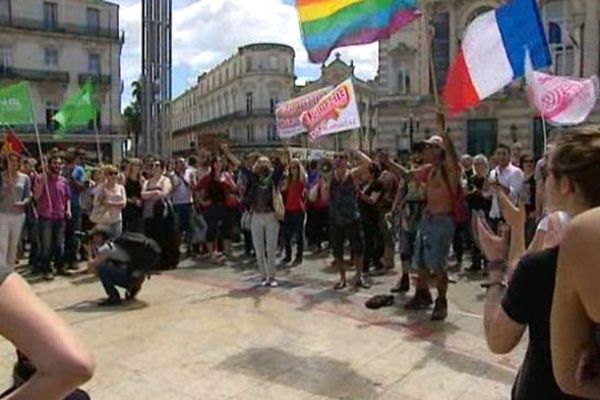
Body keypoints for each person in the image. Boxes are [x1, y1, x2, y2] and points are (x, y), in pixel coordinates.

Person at [475, 126, 600, 399]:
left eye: (546, 174)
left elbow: (499, 340)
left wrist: (495, 265)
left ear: (566, 184)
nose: (542, 183)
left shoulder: (544, 266)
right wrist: (518, 231)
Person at [382, 132, 461, 321]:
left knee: (439, 264)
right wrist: (388, 163)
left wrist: (443, 132)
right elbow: (408, 176)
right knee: (421, 260)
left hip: (442, 222)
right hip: (428, 220)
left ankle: (441, 301)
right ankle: (422, 294)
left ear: (439, 150)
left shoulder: (450, 170)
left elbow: (451, 156)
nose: (425, 150)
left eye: (430, 146)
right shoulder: (429, 169)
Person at [328, 151, 369, 290]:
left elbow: (368, 163)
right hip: (336, 217)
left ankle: (359, 276)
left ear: (347, 160)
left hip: (352, 216)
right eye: (336, 157)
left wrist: (356, 151)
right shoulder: (329, 176)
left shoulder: (352, 174)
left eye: (342, 157)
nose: (338, 159)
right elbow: (323, 195)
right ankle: (342, 279)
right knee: (337, 250)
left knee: (358, 248)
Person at [85, 228, 147, 306]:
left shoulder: (106, 248)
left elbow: (91, 269)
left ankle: (114, 297)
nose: (92, 240)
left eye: (93, 237)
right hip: (138, 276)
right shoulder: (114, 243)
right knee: (106, 266)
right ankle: (133, 288)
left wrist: (89, 251)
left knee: (101, 268)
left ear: (100, 236)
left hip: (131, 278)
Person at [244, 156, 282, 287]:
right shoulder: (254, 178)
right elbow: (241, 167)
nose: (262, 164)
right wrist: (227, 152)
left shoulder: (273, 178)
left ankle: (272, 277)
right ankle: (263, 276)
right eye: (259, 162)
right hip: (256, 216)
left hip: (271, 215)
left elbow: (282, 166)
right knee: (259, 249)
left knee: (271, 249)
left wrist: (285, 148)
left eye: (265, 161)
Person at [34, 155, 72, 281]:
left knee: (59, 245)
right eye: (54, 163)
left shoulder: (64, 181)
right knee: (46, 246)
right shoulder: (41, 178)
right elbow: (36, 196)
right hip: (46, 217)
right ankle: (47, 269)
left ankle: (59, 267)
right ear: (49, 164)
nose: (57, 165)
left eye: (59, 163)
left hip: (60, 217)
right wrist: (41, 183)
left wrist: (68, 209)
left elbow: (67, 198)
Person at [195, 155, 235, 263]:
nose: (218, 164)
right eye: (216, 162)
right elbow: (197, 189)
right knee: (212, 229)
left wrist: (230, 183)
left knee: (227, 229)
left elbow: (234, 188)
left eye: (220, 162)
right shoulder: (208, 177)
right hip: (212, 207)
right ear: (213, 164)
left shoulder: (226, 175)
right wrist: (202, 202)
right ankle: (212, 253)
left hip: (225, 206)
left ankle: (226, 253)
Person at [141, 159, 178, 269]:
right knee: (151, 236)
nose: (155, 167)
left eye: (157, 165)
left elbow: (165, 193)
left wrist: (155, 194)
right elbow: (143, 194)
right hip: (149, 212)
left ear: (162, 168)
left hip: (162, 213)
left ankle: (165, 261)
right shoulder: (147, 181)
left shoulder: (165, 180)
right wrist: (155, 192)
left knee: (163, 237)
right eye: (153, 165)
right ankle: (152, 260)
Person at [0, 153, 31, 271]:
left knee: (14, 244)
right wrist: (5, 191)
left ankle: (10, 269)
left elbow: (28, 196)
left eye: (16, 161)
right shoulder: (1, 176)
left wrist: (23, 203)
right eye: (11, 160)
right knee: (2, 244)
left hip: (18, 215)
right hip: (3, 213)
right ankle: (1, 271)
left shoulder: (25, 178)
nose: (14, 163)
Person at [465, 154, 492, 272]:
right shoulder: (471, 179)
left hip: (485, 211)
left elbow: (488, 196)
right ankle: (475, 263)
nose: (478, 167)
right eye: (476, 164)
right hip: (472, 211)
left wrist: (477, 192)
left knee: (486, 238)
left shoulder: (489, 179)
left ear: (485, 165)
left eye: (480, 164)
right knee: (474, 237)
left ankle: (487, 264)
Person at [488, 144, 524, 230]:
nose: (501, 157)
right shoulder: (493, 172)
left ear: (509, 155)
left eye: (504, 154)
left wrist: (498, 185)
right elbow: (487, 193)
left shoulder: (516, 172)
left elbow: (513, 194)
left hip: (509, 215)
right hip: (494, 214)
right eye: (499, 154)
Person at [62, 149, 86, 271]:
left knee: (74, 233)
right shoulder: (61, 168)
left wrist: (72, 178)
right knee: (63, 234)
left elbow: (81, 187)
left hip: (75, 204)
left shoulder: (79, 170)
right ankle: (62, 260)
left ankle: (73, 259)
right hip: (61, 204)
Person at [281, 158, 307, 265]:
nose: (293, 170)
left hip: (298, 209)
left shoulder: (301, 180)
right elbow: (283, 190)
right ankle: (288, 255)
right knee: (286, 234)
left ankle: (299, 256)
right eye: (291, 168)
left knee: (299, 234)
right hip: (288, 209)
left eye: (295, 167)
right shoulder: (288, 180)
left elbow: (305, 182)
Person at [90, 165, 126, 238]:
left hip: (117, 220)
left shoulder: (121, 188)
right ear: (106, 175)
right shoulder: (101, 188)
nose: (113, 176)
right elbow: (96, 204)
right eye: (111, 173)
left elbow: (123, 203)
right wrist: (103, 199)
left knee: (116, 243)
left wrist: (110, 203)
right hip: (103, 221)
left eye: (115, 173)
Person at [171, 158, 194, 254]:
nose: (182, 164)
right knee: (178, 228)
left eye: (183, 162)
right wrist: (176, 183)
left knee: (190, 227)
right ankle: (177, 248)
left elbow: (193, 186)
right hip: (177, 204)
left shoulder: (189, 173)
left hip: (188, 203)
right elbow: (171, 189)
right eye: (179, 162)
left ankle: (189, 248)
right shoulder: (172, 175)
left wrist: (190, 182)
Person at [122, 158, 144, 233]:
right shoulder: (124, 179)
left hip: (139, 210)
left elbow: (143, 193)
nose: (137, 167)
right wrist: (133, 201)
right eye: (135, 165)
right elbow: (122, 195)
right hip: (128, 209)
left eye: (139, 165)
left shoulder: (142, 180)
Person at [519, 154, 537, 245]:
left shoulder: (536, 178)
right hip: (521, 210)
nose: (528, 164)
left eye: (531, 161)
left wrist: (536, 210)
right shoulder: (519, 176)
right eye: (526, 161)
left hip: (531, 211)